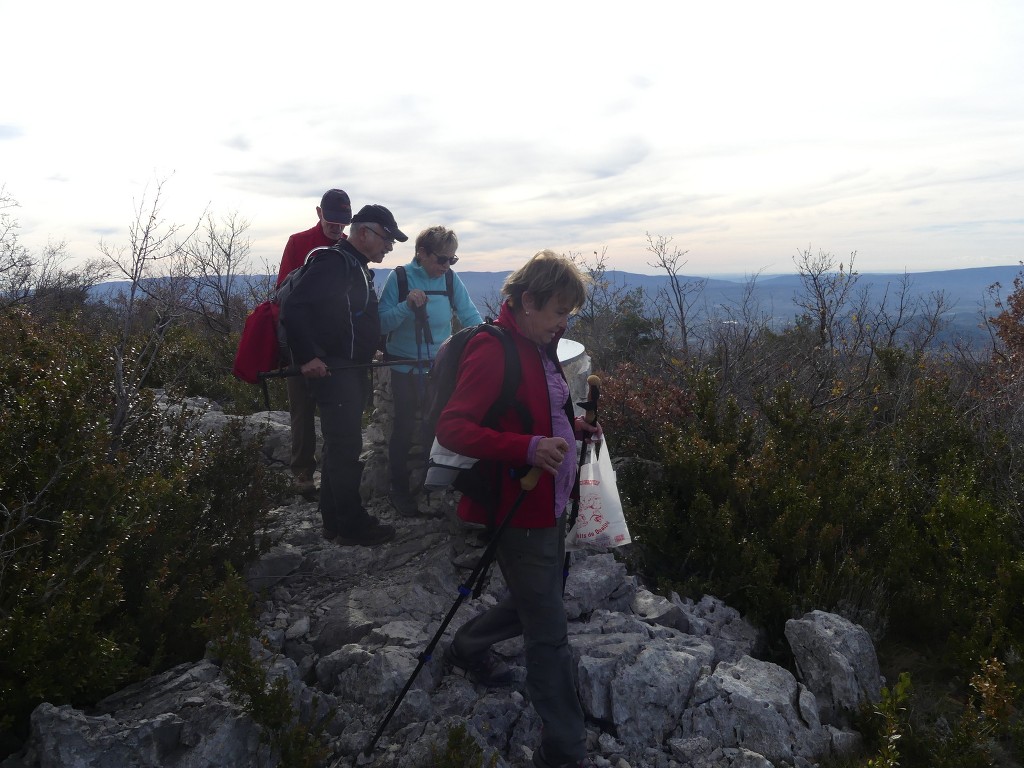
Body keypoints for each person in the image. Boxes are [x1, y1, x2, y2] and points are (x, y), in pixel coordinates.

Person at [434, 250, 599, 768]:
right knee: (549, 634)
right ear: (526, 302)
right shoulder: (494, 349)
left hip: (549, 503)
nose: (563, 323)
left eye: (569, 313)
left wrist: (570, 430)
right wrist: (528, 448)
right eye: (556, 311)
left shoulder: (539, 345)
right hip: (517, 508)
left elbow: (535, 412)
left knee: (542, 595)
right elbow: (453, 427)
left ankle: (466, 646)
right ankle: (565, 752)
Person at [281, 204, 408, 547]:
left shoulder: (352, 265)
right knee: (345, 448)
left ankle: (334, 522)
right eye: (386, 238)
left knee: (341, 447)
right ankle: (351, 525)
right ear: (363, 233)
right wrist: (308, 357)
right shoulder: (334, 263)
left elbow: (340, 319)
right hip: (334, 373)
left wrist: (369, 350)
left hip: (345, 368)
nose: (389, 247)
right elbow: (293, 308)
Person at [378, 225, 483, 515]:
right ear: (421, 253)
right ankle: (399, 490)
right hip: (405, 367)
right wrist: (406, 307)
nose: (446, 266)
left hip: (441, 367)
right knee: (405, 427)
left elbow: (469, 315)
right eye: (442, 259)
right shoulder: (399, 278)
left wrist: (487, 340)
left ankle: (434, 486)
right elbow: (381, 324)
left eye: (452, 260)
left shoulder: (449, 279)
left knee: (439, 426)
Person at [276, 189, 352, 498]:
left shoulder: (347, 247)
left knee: (336, 407)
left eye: (342, 221)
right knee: (302, 408)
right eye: (332, 220)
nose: (337, 227)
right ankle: (302, 473)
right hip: (301, 340)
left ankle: (335, 473)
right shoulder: (298, 242)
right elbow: (284, 291)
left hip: (335, 341)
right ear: (319, 212)